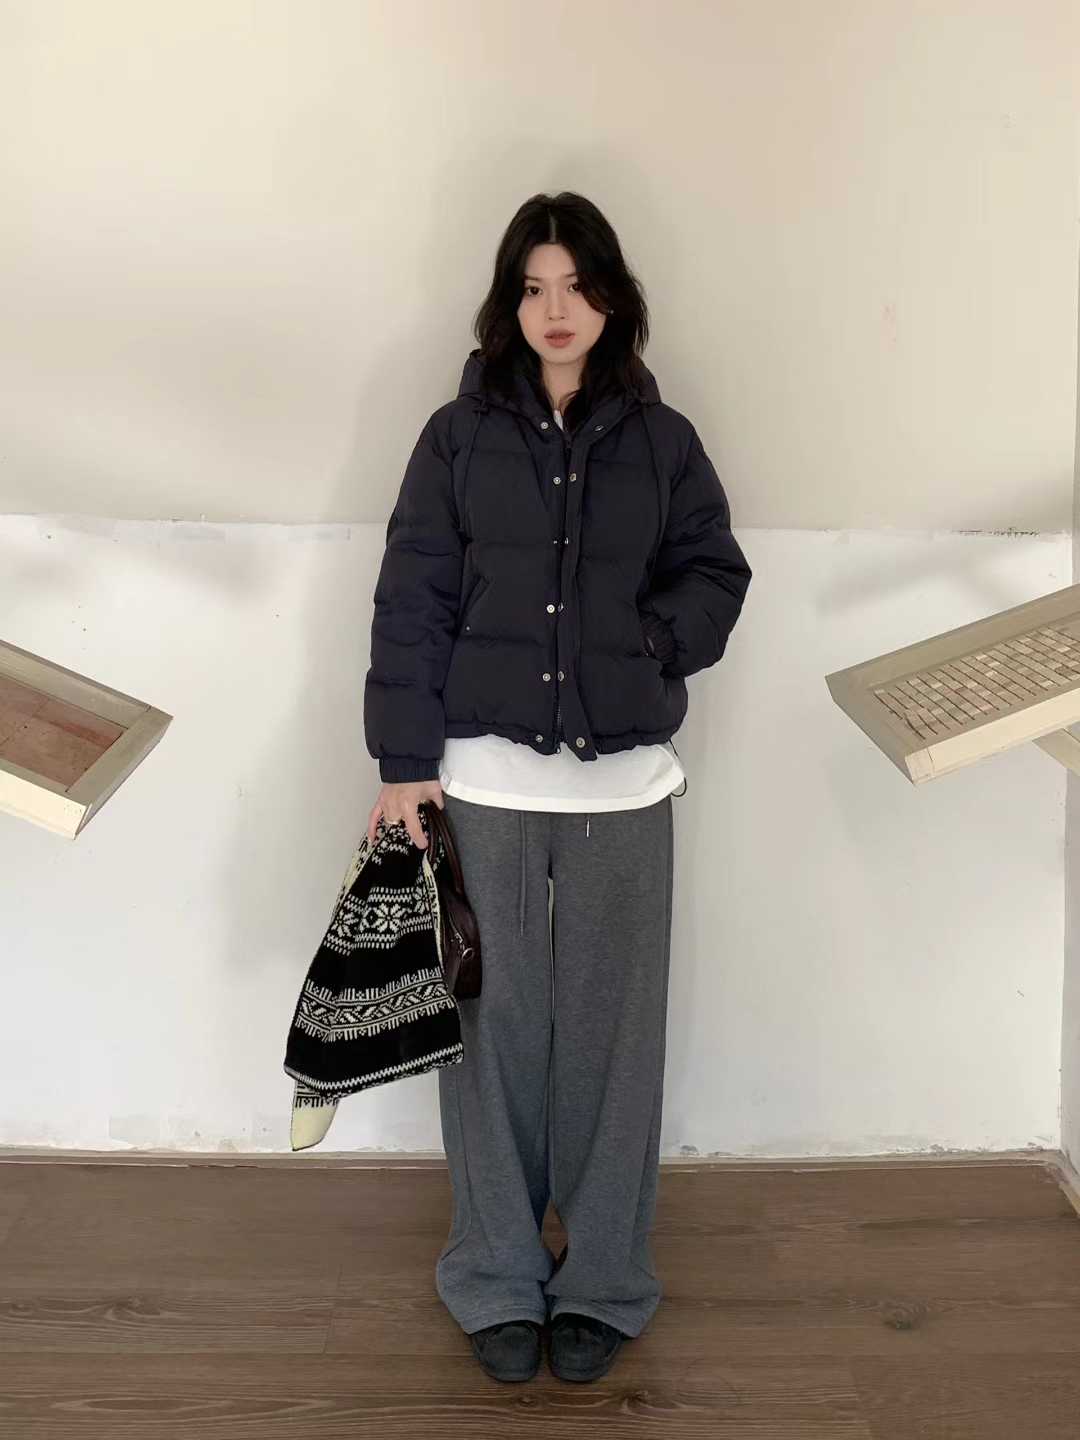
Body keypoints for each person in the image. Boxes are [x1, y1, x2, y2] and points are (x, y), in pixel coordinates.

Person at [363, 191, 752, 1383]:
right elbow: (413, 596)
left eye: (576, 285)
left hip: (624, 787)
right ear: (508, 304)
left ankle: (604, 1280)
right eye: (534, 288)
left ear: (613, 297)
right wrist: (403, 766)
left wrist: (647, 645)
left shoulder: (665, 441)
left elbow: (716, 572)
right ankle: (493, 1275)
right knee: (486, 1037)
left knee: (613, 1044)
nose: (556, 310)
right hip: (478, 781)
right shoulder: (455, 437)